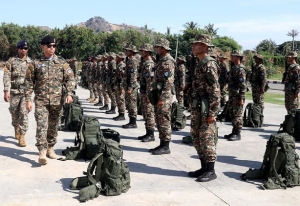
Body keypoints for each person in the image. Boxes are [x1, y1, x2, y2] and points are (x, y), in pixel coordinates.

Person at [25, 35, 75, 165]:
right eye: (49, 46)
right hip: (41, 101)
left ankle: (50, 148)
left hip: (57, 101)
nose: (52, 48)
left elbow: (70, 78)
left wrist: (69, 93)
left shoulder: (62, 63)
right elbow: (29, 82)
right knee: (42, 126)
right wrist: (28, 100)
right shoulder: (35, 63)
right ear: (43, 47)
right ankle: (42, 151)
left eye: (54, 46)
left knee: (53, 126)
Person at [187, 34, 220, 182]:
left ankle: (211, 170)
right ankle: (204, 167)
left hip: (207, 109)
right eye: (194, 44)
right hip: (196, 107)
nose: (194, 46)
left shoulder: (209, 64)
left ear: (205, 46)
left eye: (197, 44)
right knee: (196, 136)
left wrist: (212, 112)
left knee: (207, 137)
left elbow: (215, 90)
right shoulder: (198, 63)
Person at [3, 40, 33, 147]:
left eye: (25, 48)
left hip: (26, 93)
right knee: (14, 112)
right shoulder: (11, 61)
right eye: (21, 48)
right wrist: (6, 90)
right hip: (14, 91)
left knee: (24, 114)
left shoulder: (31, 62)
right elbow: (6, 75)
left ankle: (22, 136)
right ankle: (16, 126)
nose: (24, 50)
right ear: (18, 49)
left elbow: (34, 78)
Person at [149, 38, 175, 155]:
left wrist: (162, 98)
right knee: (159, 120)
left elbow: (168, 82)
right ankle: (161, 144)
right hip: (159, 95)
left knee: (164, 120)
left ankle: (166, 146)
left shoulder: (168, 62)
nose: (156, 49)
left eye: (158, 47)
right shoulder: (161, 60)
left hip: (164, 97)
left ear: (163, 48)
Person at [224, 50, 247, 141]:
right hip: (232, 95)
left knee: (237, 114)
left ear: (238, 57)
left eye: (233, 56)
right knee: (232, 113)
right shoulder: (234, 68)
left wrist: (241, 98)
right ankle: (234, 131)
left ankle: (238, 133)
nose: (231, 57)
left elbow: (243, 85)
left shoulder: (240, 69)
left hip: (237, 96)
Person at [138, 43, 155, 142]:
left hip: (147, 93)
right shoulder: (145, 63)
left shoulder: (149, 64)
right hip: (144, 92)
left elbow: (150, 81)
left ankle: (151, 134)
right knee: (145, 113)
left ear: (148, 52)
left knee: (149, 113)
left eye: (143, 51)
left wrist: (149, 95)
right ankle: (147, 133)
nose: (141, 52)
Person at [122, 44, 139, 129]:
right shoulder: (128, 60)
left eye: (127, 50)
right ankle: (131, 121)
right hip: (128, 86)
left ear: (131, 52)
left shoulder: (133, 61)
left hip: (131, 87)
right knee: (129, 104)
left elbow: (133, 75)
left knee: (132, 105)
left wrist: (130, 88)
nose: (126, 51)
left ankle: (133, 122)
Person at [113, 52, 126, 121]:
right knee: (118, 100)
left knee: (121, 100)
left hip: (120, 86)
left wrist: (121, 87)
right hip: (117, 85)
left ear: (121, 58)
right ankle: (120, 114)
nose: (116, 58)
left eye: (117, 57)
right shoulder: (118, 65)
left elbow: (122, 78)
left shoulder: (122, 65)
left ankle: (122, 114)